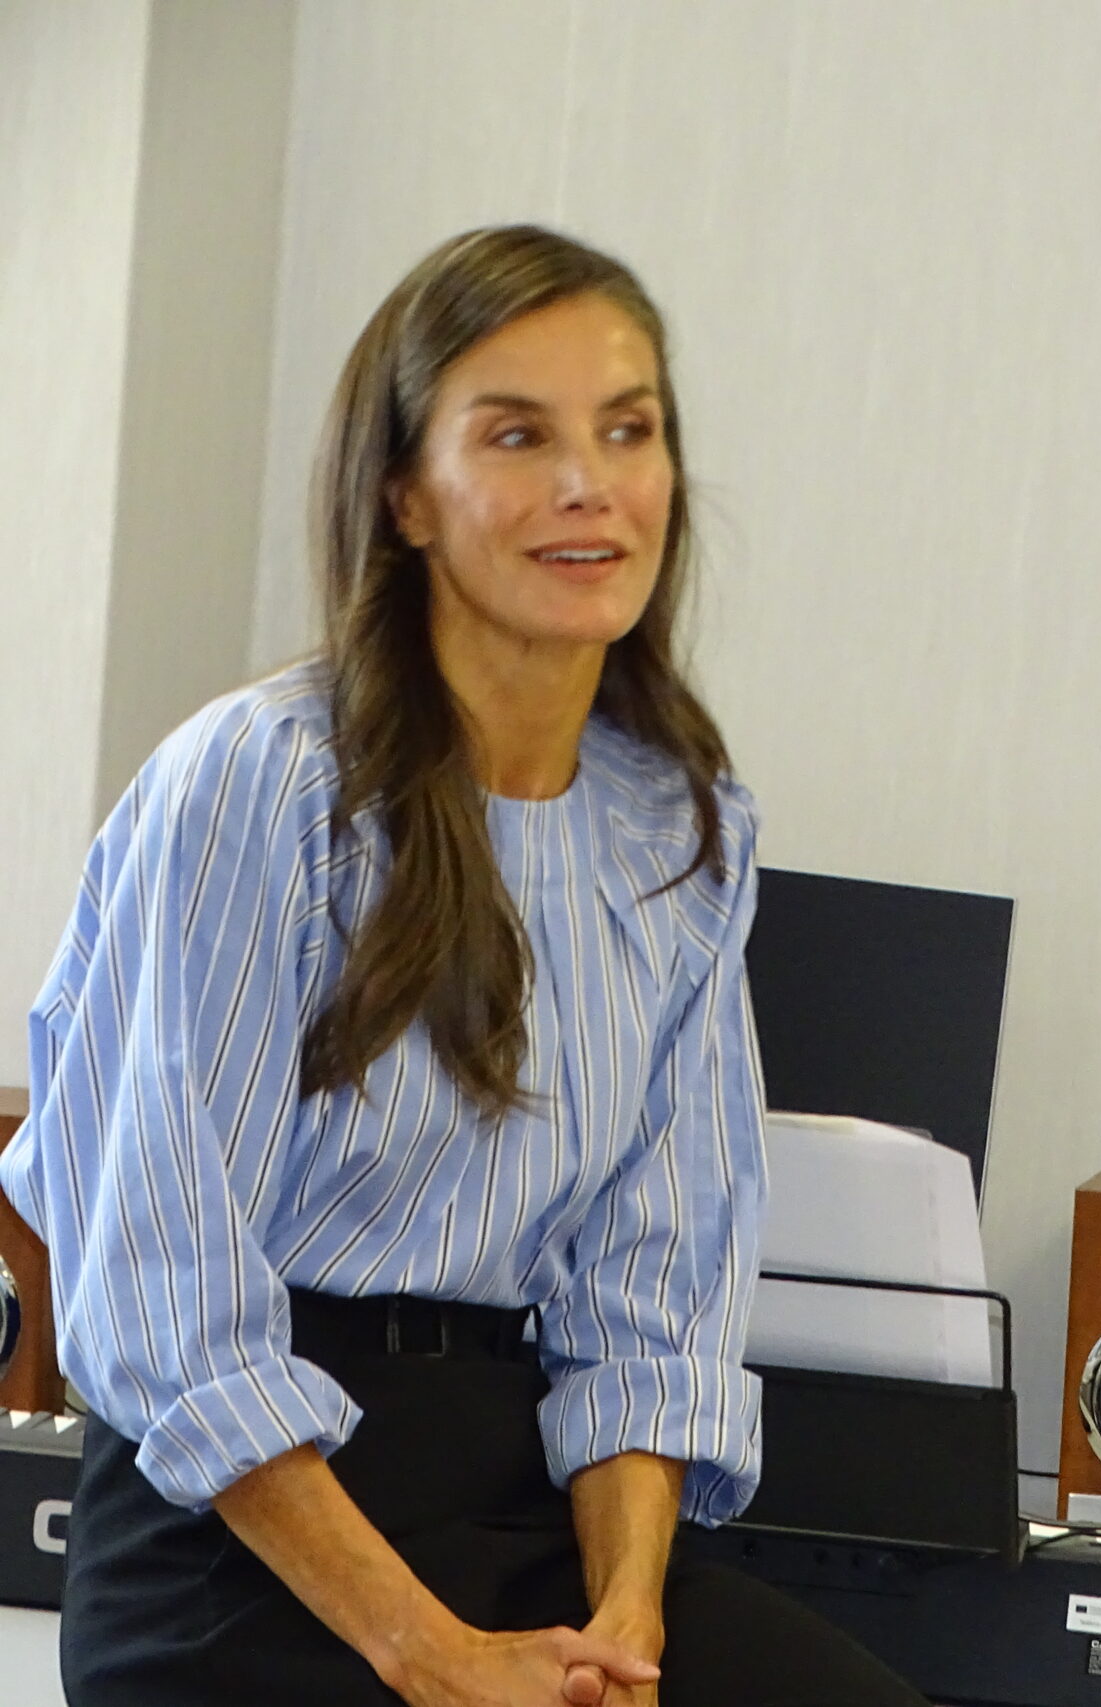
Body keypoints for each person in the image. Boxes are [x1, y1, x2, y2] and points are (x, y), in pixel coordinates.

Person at [2, 225, 926, 1706]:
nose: (588, 485)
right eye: (516, 435)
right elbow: (162, 1301)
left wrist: (626, 1627)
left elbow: (652, 1293)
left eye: (627, 430)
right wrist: (432, 1656)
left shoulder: (679, 824)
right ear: (405, 497)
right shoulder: (258, 781)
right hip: (238, 1547)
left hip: (515, 1504)